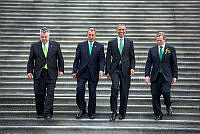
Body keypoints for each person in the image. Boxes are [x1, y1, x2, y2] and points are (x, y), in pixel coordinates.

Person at [27, 27, 64, 121]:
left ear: (49, 36)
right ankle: (40, 112)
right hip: (39, 73)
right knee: (39, 94)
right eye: (42, 37)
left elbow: (60, 58)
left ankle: (48, 113)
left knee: (50, 94)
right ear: (40, 36)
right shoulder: (34, 46)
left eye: (45, 37)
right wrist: (29, 71)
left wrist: (61, 70)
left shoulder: (55, 45)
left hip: (51, 73)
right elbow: (30, 60)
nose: (44, 39)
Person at [72, 28, 105, 119]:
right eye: (89, 35)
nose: (91, 37)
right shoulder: (81, 45)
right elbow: (76, 59)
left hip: (94, 73)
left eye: (92, 35)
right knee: (80, 89)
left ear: (95, 36)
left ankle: (91, 112)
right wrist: (74, 71)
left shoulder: (99, 46)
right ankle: (82, 109)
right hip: (82, 72)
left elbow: (102, 60)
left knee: (92, 92)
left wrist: (101, 69)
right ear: (87, 35)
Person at [144, 32, 178, 120]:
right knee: (155, 95)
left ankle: (168, 105)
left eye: (160, 40)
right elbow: (148, 63)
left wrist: (175, 76)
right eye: (157, 40)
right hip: (155, 76)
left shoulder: (170, 49)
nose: (158, 42)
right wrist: (147, 75)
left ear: (164, 39)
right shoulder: (152, 50)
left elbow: (174, 64)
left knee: (166, 91)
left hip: (166, 76)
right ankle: (158, 114)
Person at [105, 24, 135, 121]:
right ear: (116, 31)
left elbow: (132, 57)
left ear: (125, 31)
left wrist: (132, 68)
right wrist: (107, 71)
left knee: (124, 92)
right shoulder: (111, 42)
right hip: (115, 69)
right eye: (119, 29)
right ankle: (114, 112)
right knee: (115, 87)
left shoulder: (130, 42)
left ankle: (122, 112)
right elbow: (108, 57)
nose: (121, 31)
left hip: (126, 70)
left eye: (123, 29)